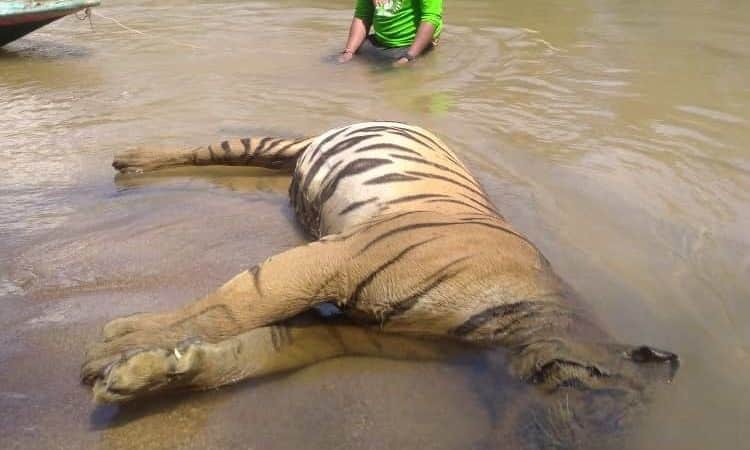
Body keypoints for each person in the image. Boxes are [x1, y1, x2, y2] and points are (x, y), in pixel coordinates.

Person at [338, 0, 443, 66]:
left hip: (411, 44)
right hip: (381, 42)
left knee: (396, 73)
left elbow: (430, 18)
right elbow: (362, 15)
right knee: (345, 62)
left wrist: (409, 57)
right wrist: (349, 51)